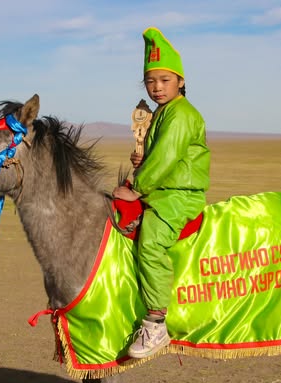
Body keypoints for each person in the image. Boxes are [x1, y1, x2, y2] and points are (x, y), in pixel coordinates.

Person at [113, 27, 211, 359]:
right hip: (162, 187)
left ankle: (156, 322)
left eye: (165, 80)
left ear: (181, 81)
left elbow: (168, 156)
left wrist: (138, 187)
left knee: (151, 241)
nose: (157, 87)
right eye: (150, 81)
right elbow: (160, 156)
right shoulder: (161, 113)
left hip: (178, 195)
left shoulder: (181, 114)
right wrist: (142, 162)